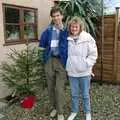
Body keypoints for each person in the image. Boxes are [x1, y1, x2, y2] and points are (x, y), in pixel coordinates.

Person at [39, 6, 68, 120]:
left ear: (62, 16)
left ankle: (60, 112)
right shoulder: (47, 31)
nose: (56, 18)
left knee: (59, 88)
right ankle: (54, 108)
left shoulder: (67, 30)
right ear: (51, 17)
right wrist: (43, 60)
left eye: (58, 15)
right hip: (49, 60)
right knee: (50, 87)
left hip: (61, 61)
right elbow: (41, 46)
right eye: (54, 16)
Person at [66, 17, 98, 120]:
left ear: (80, 27)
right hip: (72, 72)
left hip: (84, 72)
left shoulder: (87, 37)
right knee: (74, 94)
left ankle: (87, 112)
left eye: (76, 27)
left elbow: (93, 54)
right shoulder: (67, 38)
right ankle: (74, 111)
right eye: (72, 27)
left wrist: (86, 64)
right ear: (70, 27)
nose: (74, 29)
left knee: (85, 94)